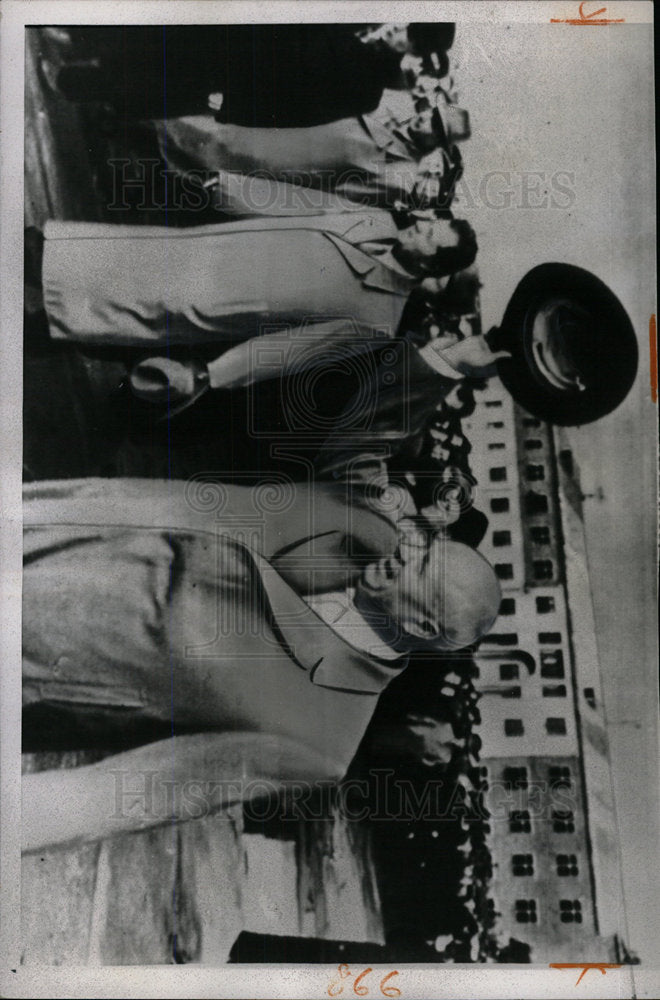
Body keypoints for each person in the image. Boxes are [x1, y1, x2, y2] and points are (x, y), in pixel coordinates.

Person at [22, 476, 501, 849]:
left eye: (420, 569)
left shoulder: (326, 737)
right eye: (424, 550)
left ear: (420, 627)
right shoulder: (361, 522)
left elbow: (136, 795)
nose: (405, 553)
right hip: (45, 529)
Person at [28, 211, 478, 348]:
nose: (418, 225)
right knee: (80, 255)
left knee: (100, 311)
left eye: (429, 235)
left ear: (430, 267)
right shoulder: (377, 222)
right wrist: (225, 184)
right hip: (213, 246)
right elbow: (300, 203)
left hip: (216, 302)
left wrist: (215, 373)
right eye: (427, 222)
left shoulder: (380, 320)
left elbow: (289, 351)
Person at [40, 23, 454, 128]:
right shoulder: (361, 18)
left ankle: (73, 86)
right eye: (402, 25)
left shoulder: (367, 91)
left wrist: (237, 108)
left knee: (159, 86)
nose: (395, 33)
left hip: (237, 84)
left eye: (408, 39)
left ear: (414, 52)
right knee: (154, 44)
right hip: (236, 38)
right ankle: (76, 45)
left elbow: (299, 112)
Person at [154, 94, 470, 210]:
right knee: (206, 133)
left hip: (281, 164)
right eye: (433, 113)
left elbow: (345, 193)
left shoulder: (398, 171)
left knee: (211, 147)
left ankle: (136, 130)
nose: (425, 118)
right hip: (277, 128)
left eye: (436, 125)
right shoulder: (386, 111)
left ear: (439, 142)